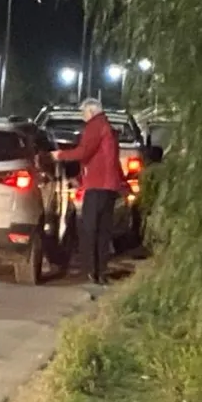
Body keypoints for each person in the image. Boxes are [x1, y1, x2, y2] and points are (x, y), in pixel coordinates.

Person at [50, 98, 125, 285]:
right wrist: (82, 179)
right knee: (103, 231)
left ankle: (92, 271)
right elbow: (103, 159)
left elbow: (84, 152)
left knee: (90, 229)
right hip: (109, 186)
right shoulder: (107, 127)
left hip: (98, 186)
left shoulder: (95, 126)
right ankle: (101, 271)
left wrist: (60, 155)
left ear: (91, 111)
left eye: (83, 113)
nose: (83, 117)